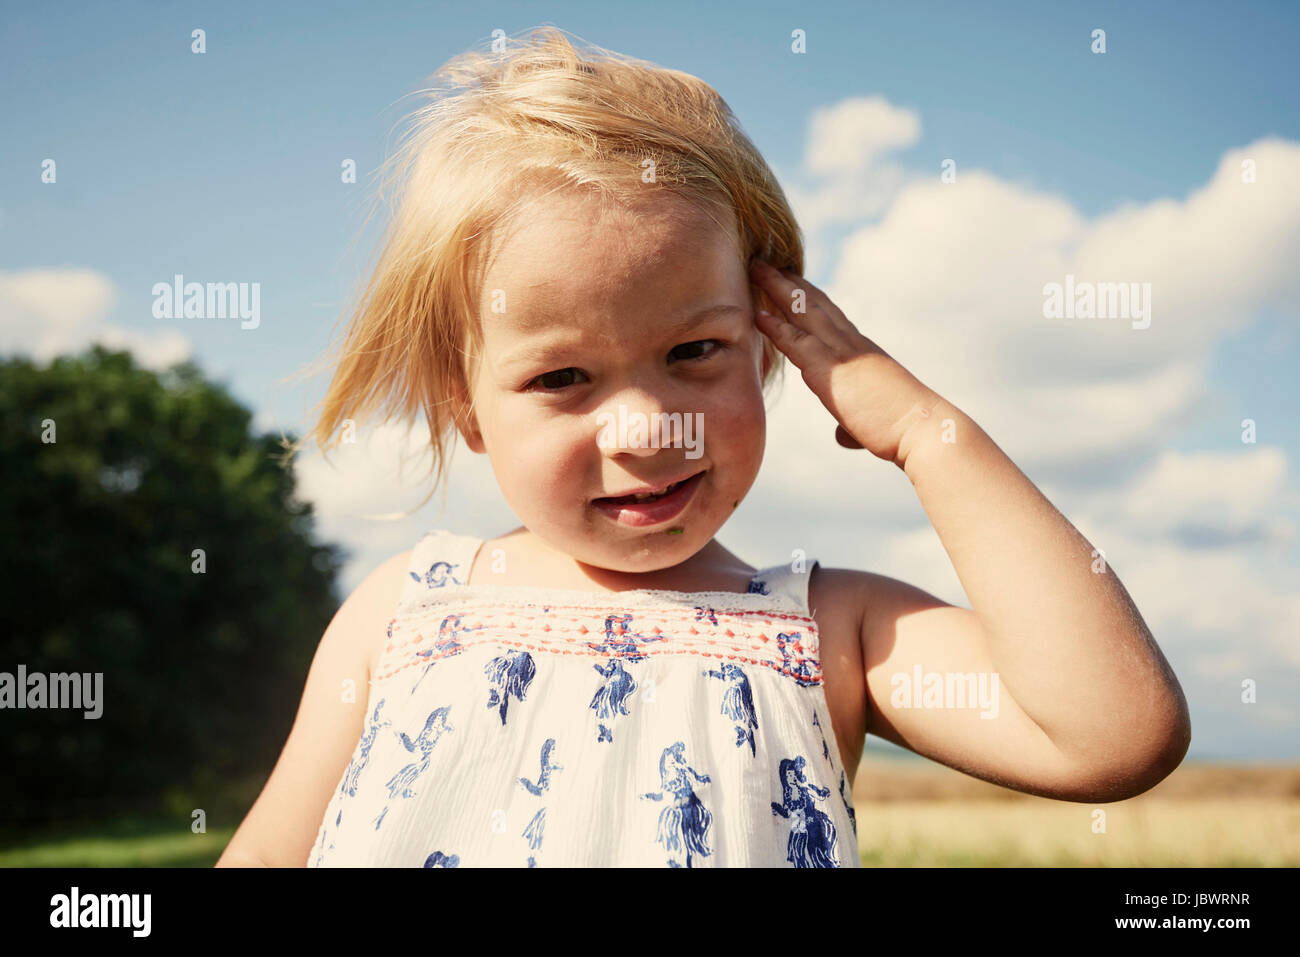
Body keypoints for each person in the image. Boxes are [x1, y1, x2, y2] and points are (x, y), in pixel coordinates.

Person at [215, 25, 1190, 868]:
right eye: (562, 379)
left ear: (770, 343)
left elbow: (1111, 733)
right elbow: (267, 852)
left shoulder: (829, 629)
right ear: (464, 407)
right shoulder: (410, 609)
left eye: (694, 351)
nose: (646, 430)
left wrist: (928, 435)